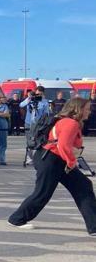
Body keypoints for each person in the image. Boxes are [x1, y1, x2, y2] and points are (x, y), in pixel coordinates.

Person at [8, 97, 96, 234]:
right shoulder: (70, 123)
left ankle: (94, 226)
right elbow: (63, 145)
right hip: (51, 159)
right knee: (43, 193)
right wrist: (72, 162)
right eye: (87, 108)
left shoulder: (70, 122)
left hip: (56, 159)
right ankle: (17, 219)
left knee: (83, 186)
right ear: (78, 109)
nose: (90, 111)